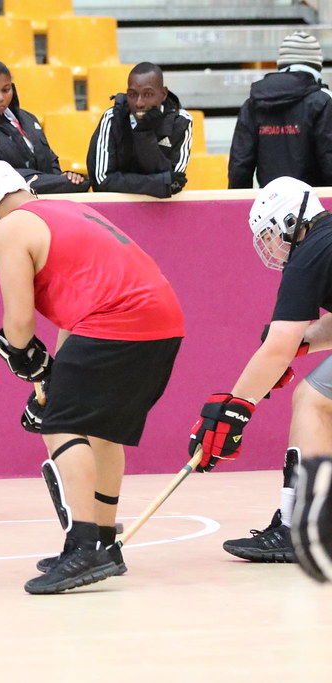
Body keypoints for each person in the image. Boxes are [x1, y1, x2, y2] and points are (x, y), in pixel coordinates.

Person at [0, 160, 183, 594]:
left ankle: (83, 544)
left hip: (115, 323)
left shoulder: (10, 229)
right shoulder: (66, 210)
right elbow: (74, 313)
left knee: (63, 427)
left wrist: (25, 359)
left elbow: (19, 325)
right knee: (102, 434)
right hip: (162, 322)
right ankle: (104, 543)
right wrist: (56, 378)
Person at [186, 176, 332, 580]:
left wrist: (235, 407)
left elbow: (276, 346)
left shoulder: (311, 251)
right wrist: (302, 343)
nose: (270, 244)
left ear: (290, 219)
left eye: (270, 232)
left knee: (313, 401)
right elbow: (301, 337)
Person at [0, 52, 90, 194]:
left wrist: (63, 178)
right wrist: (50, 182)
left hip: (36, 199)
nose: (0, 97)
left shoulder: (28, 119)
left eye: (6, 90)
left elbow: (50, 162)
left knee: (79, 182)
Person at [228, 31, 332, 189]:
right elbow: (329, 160)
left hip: (269, 206)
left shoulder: (252, 103)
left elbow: (240, 167)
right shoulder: (324, 101)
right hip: (316, 207)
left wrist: (239, 207)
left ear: (281, 64)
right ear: (317, 65)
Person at [86, 62, 193, 198]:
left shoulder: (181, 121)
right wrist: (160, 184)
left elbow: (175, 182)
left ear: (163, 94)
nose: (139, 103)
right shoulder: (113, 118)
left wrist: (144, 134)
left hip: (161, 211)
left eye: (147, 95)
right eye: (132, 95)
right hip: (116, 210)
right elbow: (101, 181)